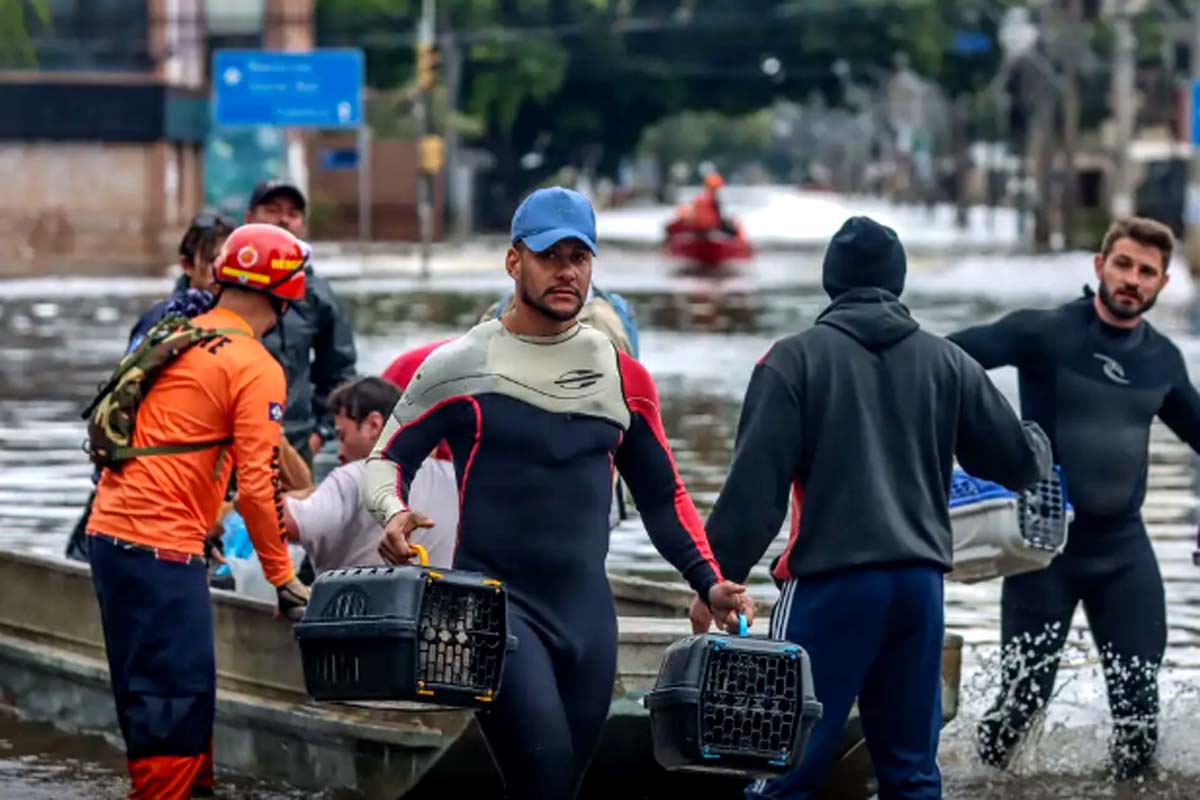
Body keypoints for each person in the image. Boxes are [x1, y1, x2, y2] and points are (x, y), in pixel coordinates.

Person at [364, 186, 755, 800]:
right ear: (514, 261)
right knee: (544, 783)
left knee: (556, 788)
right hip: (493, 612)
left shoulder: (623, 376)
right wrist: (391, 512)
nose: (566, 270)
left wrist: (707, 579)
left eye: (580, 256)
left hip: (587, 619)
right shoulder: (459, 365)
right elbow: (386, 458)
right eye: (550, 256)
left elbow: (662, 496)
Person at [695, 216, 1052, 800]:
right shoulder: (947, 363)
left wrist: (711, 579)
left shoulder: (792, 361)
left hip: (831, 587)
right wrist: (1039, 439)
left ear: (830, 282)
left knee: (782, 769)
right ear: (899, 281)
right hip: (918, 590)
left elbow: (753, 497)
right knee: (911, 775)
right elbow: (1016, 462)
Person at [947, 217, 1200, 780]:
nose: (1132, 279)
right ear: (1099, 266)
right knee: (1019, 706)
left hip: (1124, 554)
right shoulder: (1047, 333)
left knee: (1139, 718)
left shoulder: (1162, 360)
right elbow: (946, 362)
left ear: (1161, 284)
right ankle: (979, 788)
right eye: (1124, 264)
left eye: (1147, 272)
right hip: (1043, 552)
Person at [84, 223, 312, 800]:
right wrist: (283, 579)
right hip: (158, 547)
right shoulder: (254, 364)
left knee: (174, 694)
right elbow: (259, 487)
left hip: (115, 536)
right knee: (172, 700)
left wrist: (206, 523)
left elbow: (174, 442)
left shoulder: (181, 331)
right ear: (287, 293)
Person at [66, 213, 237, 563]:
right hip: (151, 489)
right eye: (216, 262)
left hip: (209, 483)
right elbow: (127, 403)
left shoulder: (243, 322)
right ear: (188, 265)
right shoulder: (166, 326)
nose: (225, 274)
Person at [283, 376, 454, 572]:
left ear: (373, 425)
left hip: (361, 601)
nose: (339, 451)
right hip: (445, 599)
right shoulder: (454, 478)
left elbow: (287, 522)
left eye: (342, 435)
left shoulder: (354, 475)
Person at [245, 179, 358, 464]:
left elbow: (339, 373)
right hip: (229, 441)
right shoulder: (222, 285)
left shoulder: (317, 296)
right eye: (272, 210)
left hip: (295, 443)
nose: (283, 219)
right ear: (249, 220)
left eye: (293, 213)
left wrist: (320, 431)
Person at [128, 212, 236, 350]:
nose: (222, 271)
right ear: (187, 265)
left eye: (230, 263)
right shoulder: (160, 320)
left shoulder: (251, 317)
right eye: (213, 261)